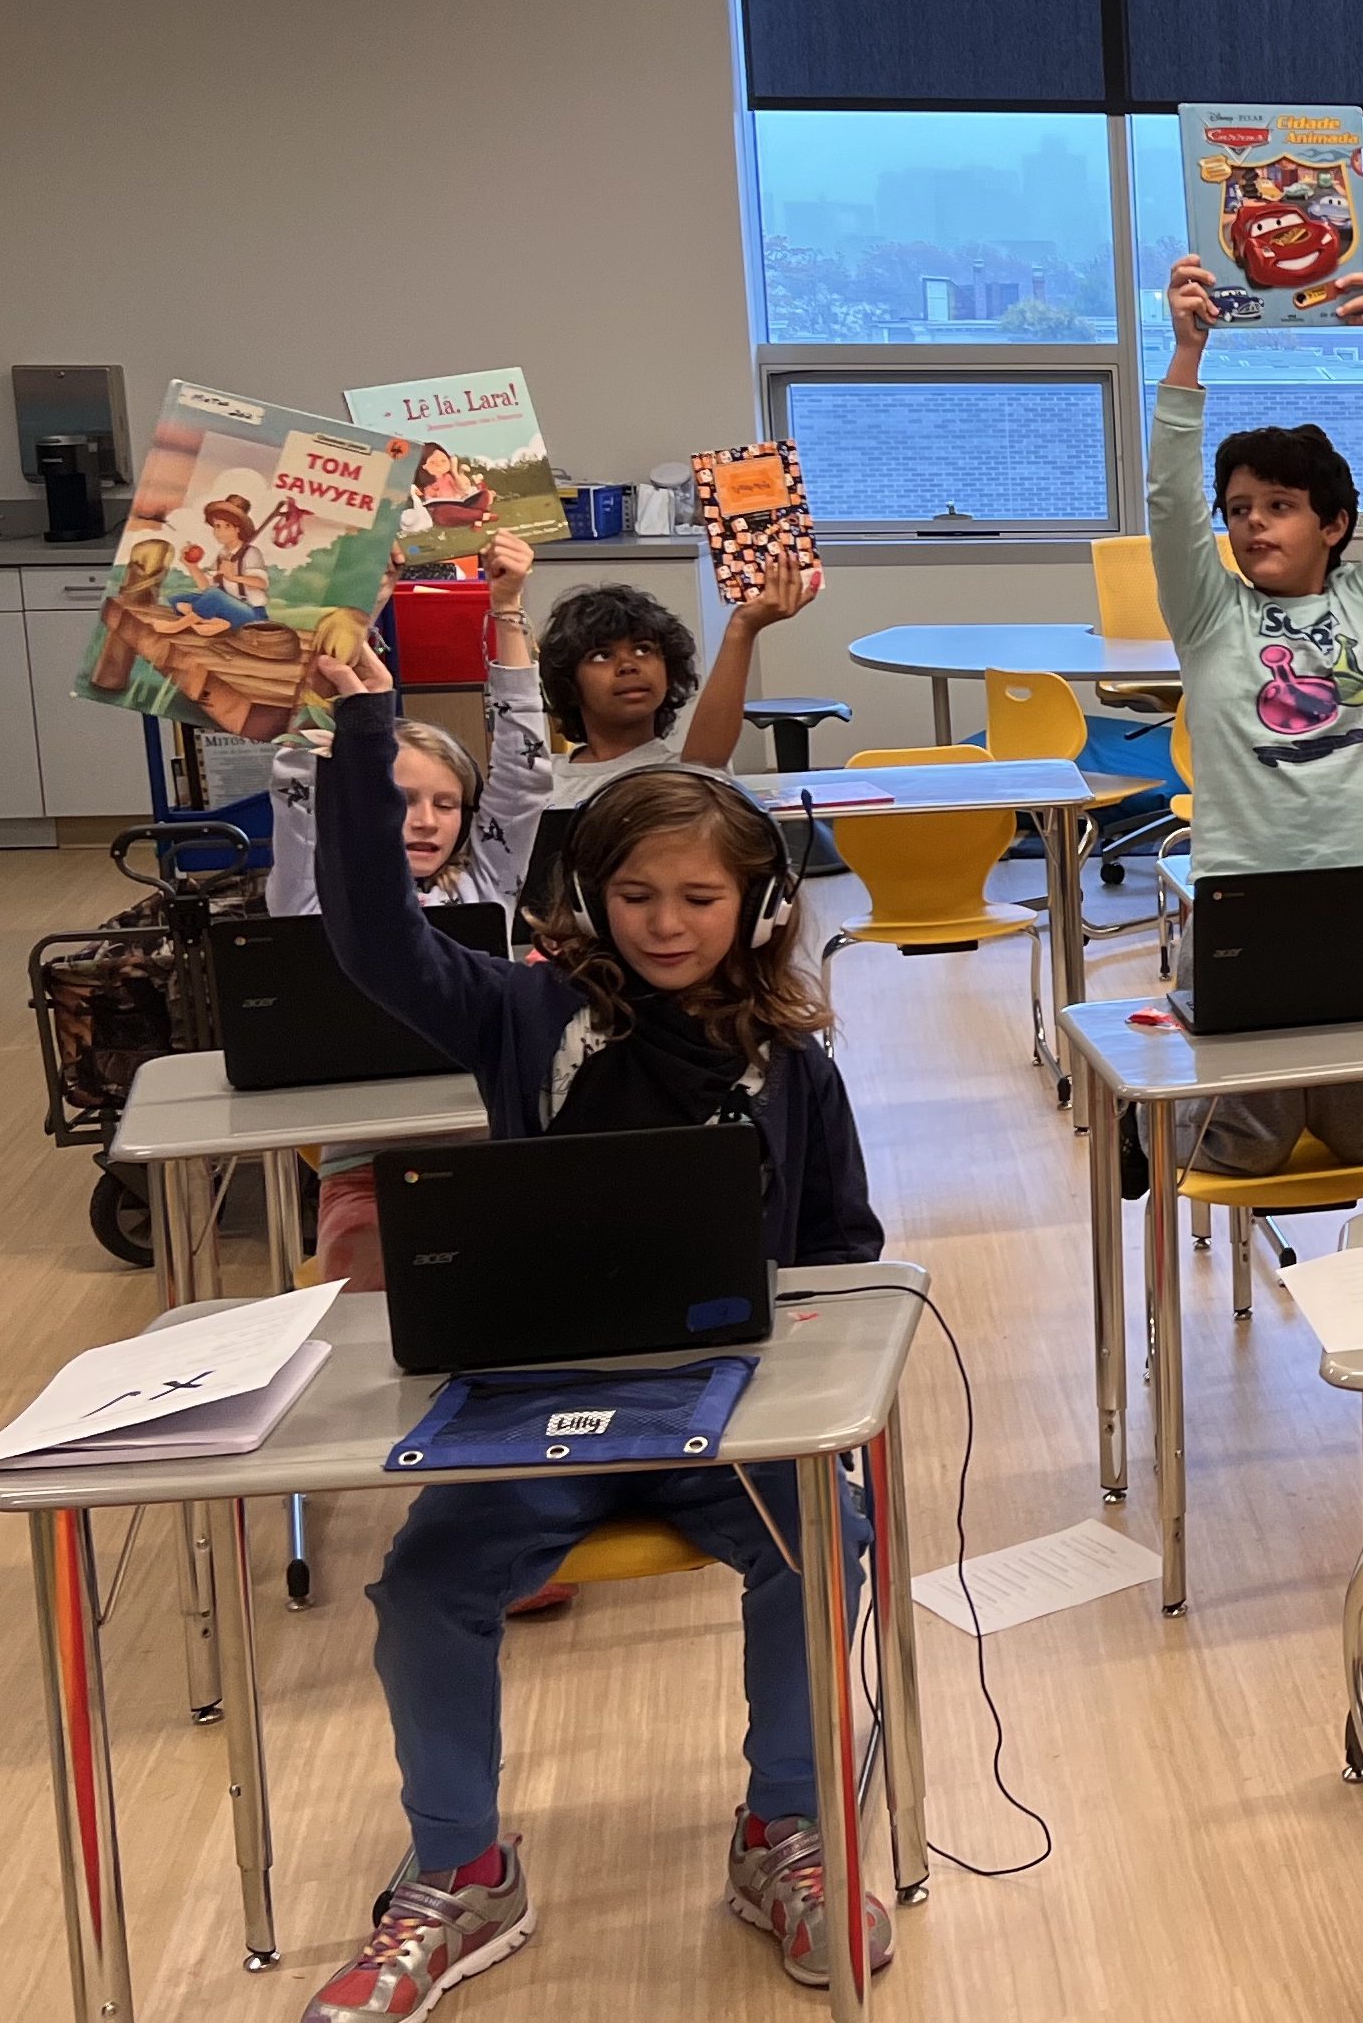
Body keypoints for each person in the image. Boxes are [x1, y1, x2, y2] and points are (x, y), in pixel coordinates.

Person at [292, 643, 890, 2018]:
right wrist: (361, 721)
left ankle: (782, 1832)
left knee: (828, 1537)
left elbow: (843, 1256)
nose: (665, 924)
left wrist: (812, 1361)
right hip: (531, 1414)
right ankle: (460, 1872)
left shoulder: (793, 1063)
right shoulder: (522, 1012)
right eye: (634, 895)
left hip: (727, 1409)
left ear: (757, 907)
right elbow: (377, 940)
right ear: (587, 896)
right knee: (427, 1582)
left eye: (697, 898)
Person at [1141, 242, 1363, 1179]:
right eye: (1238, 508)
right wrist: (1188, 354)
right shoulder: (1208, 613)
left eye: (1280, 506)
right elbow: (1166, 502)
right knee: (1249, 1148)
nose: (1252, 523)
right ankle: (1150, 1125)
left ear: (1334, 525)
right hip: (1246, 897)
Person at [268, 529, 553, 1291]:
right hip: (370, 1164)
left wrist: (509, 608)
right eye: (400, 799)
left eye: (445, 803)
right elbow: (304, 778)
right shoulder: (314, 891)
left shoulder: (484, 886)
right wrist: (350, 626)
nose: (424, 820)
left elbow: (523, 780)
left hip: (494, 1143)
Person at [534, 564, 799, 802]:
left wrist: (742, 629)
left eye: (643, 650)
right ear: (568, 682)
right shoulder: (540, 778)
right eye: (602, 656)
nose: (628, 665)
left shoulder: (679, 772)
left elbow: (701, 767)